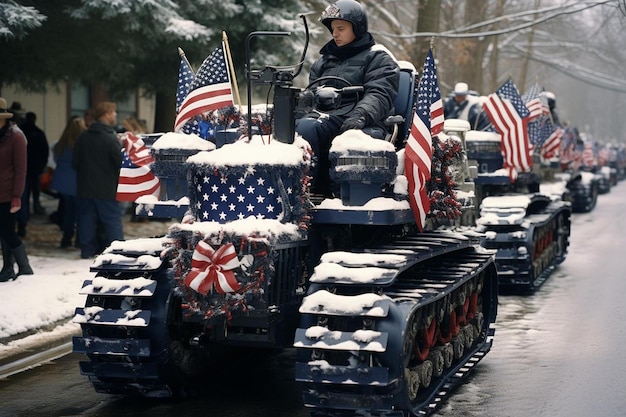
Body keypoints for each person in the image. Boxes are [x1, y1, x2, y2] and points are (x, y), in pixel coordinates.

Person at [295, 0, 400, 196]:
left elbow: (380, 93)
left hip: (366, 121)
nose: (335, 34)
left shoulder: (379, 58)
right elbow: (312, 95)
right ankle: (305, 194)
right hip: (327, 119)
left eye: (341, 28)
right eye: (333, 29)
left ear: (358, 28)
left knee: (346, 138)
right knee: (302, 127)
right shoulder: (323, 61)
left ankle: (342, 196)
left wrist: (360, 115)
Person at [72, 101, 124, 259]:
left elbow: (75, 163)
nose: (115, 115)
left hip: (85, 187)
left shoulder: (82, 137)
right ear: (106, 115)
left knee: (86, 221)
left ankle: (86, 250)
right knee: (112, 222)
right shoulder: (111, 139)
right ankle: (118, 253)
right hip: (107, 189)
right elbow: (119, 163)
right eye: (113, 112)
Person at [0, 97, 33, 282]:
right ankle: (7, 268)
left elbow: (21, 170)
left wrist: (16, 196)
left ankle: (24, 267)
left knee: (7, 230)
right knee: (3, 231)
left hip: (8, 192)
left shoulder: (16, 136)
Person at [51, 116, 86, 248]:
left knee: (68, 211)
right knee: (81, 212)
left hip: (62, 182)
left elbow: (56, 159)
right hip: (78, 182)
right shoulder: (81, 145)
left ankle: (66, 237)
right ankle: (79, 238)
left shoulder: (60, 145)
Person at [18, 112, 50, 225]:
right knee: (35, 190)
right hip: (35, 167)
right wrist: (42, 165)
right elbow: (45, 151)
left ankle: (24, 214)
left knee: (24, 193)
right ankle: (35, 207)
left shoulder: (21, 132)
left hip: (22, 167)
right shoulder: (39, 133)